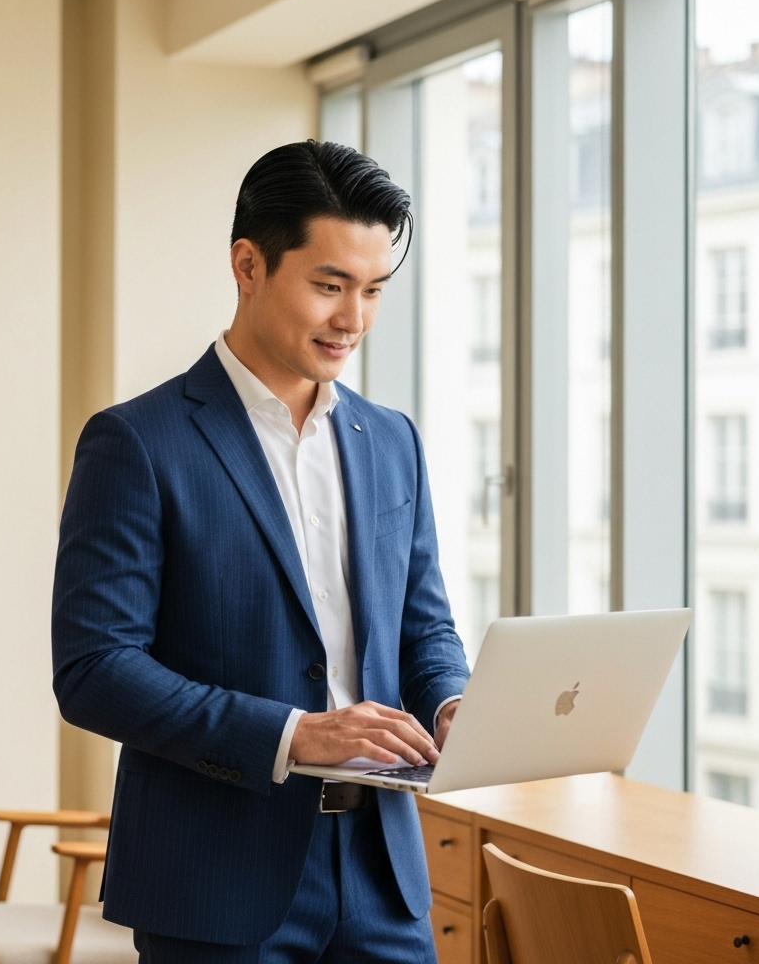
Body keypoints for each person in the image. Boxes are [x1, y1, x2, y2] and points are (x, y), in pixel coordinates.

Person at [52, 140, 470, 963]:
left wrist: (453, 703)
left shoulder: (391, 442)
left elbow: (425, 631)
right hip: (216, 884)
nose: (354, 319)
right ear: (248, 265)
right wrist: (292, 735)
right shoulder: (138, 443)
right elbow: (95, 669)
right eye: (328, 285)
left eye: (374, 290)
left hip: (385, 880)